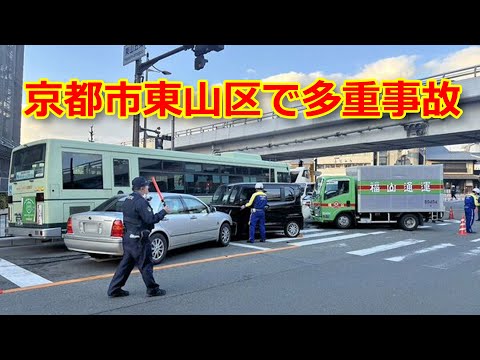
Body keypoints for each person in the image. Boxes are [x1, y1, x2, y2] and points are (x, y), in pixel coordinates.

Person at [107, 176, 171, 298]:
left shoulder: (127, 200)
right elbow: (150, 219)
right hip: (139, 240)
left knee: (125, 266)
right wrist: (164, 212)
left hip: (128, 238)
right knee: (146, 264)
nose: (148, 188)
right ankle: (152, 289)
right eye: (147, 186)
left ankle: (114, 289)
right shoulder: (141, 202)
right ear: (142, 188)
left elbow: (135, 216)